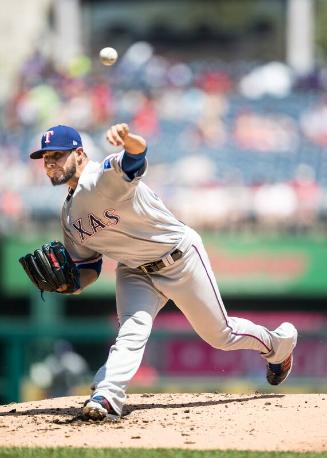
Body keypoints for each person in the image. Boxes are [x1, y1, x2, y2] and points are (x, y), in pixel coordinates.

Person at [29, 123, 298, 420]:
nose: (50, 162)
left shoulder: (103, 177)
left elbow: (136, 156)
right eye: (45, 157)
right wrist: (71, 285)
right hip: (135, 271)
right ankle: (106, 396)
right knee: (131, 332)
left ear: (79, 154)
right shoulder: (68, 216)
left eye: (58, 154)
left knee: (221, 335)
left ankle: (279, 344)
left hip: (179, 258)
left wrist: (128, 139)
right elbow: (89, 266)